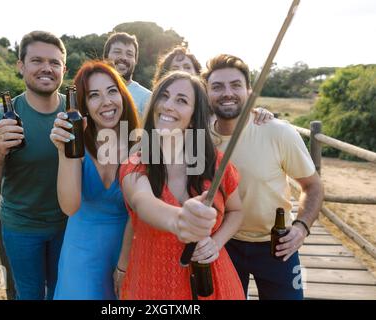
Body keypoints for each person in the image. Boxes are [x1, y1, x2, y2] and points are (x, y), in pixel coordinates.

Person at [203, 54, 324, 300]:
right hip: (223, 244)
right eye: (217, 86)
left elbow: (313, 186)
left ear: (249, 91)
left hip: (278, 244)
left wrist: (301, 228)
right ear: (206, 93)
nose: (227, 93)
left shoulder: (279, 133)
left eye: (236, 85)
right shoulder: (199, 138)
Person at [117, 71, 245, 300]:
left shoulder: (216, 162)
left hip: (213, 282)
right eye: (163, 96)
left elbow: (236, 211)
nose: (167, 105)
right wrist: (180, 220)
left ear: (195, 115)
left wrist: (216, 243)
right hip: (152, 284)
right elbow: (142, 202)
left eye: (181, 100)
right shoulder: (135, 163)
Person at [0, 31, 68, 300]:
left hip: (67, 226)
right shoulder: (0, 116)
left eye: (54, 62)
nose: (47, 68)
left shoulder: (75, 113)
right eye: (37, 60)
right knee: (29, 294)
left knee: (62, 293)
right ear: (21, 66)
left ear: (64, 69)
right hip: (21, 229)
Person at [50, 60, 140, 299]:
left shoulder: (141, 145)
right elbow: (70, 206)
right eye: (94, 95)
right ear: (85, 105)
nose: (107, 102)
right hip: (81, 254)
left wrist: (124, 263)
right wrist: (64, 152)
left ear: (123, 96)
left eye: (112, 91)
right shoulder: (75, 141)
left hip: (128, 251)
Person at [152, 45, 273, 125]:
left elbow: (232, 109)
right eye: (175, 68)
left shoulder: (211, 101)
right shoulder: (159, 104)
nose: (182, 71)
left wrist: (258, 112)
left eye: (187, 67)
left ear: (197, 73)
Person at [103, 32, 151, 117]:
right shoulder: (91, 91)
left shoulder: (147, 98)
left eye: (129, 54)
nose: (124, 58)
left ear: (135, 61)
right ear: (105, 57)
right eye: (117, 52)